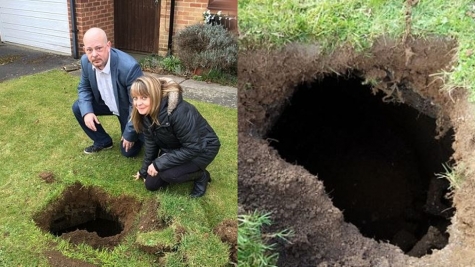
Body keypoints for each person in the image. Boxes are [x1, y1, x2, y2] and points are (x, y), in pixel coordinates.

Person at [130, 75, 221, 198]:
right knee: (151, 185)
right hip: (177, 147)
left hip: (203, 148)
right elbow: (151, 143)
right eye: (135, 98)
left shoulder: (178, 112)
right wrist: (145, 170)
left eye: (144, 97)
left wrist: (159, 163)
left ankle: (201, 175)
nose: (138, 103)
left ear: (155, 95)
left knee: (169, 174)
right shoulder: (145, 113)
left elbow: (193, 147)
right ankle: (182, 170)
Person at [72, 27, 144, 157]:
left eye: (98, 48)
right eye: (89, 50)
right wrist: (87, 112)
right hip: (106, 103)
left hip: (125, 108)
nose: (94, 55)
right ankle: (103, 141)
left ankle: (139, 136)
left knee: (128, 152)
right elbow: (84, 88)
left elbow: (136, 105)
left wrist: (129, 134)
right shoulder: (85, 61)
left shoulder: (129, 67)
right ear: (85, 50)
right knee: (79, 107)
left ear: (108, 46)